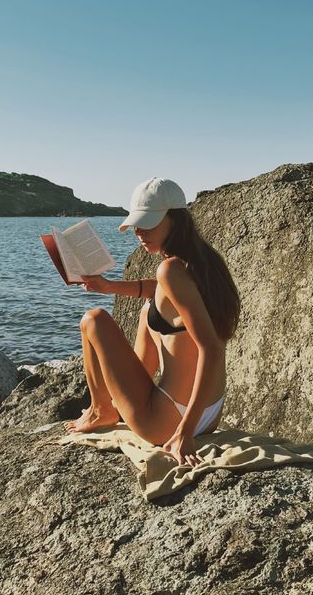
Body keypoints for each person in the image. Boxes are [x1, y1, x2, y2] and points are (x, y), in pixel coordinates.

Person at [65, 178, 240, 466]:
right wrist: (108, 287)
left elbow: (213, 349)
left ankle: (101, 411)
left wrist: (184, 434)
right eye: (136, 225)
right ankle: (117, 405)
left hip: (171, 421)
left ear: (176, 220)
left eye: (148, 224)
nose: (138, 233)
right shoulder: (203, 261)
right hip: (209, 414)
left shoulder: (170, 269)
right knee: (149, 310)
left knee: (93, 319)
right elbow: (161, 293)